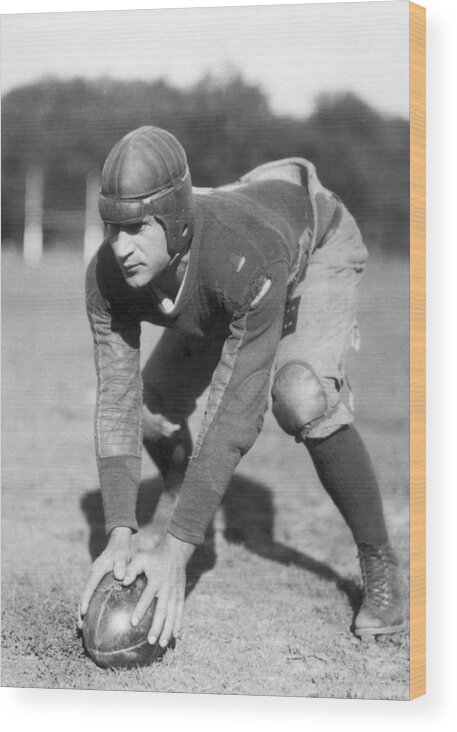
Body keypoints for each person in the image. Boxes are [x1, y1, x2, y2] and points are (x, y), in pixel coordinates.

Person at [78, 126, 404, 649]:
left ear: (177, 223)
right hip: (234, 239)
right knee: (152, 407)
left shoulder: (244, 260)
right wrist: (121, 530)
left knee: (301, 397)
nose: (120, 247)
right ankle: (182, 496)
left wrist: (178, 549)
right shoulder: (108, 274)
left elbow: (234, 413)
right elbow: (118, 401)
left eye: (136, 228)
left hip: (310, 243)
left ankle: (380, 558)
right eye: (112, 228)